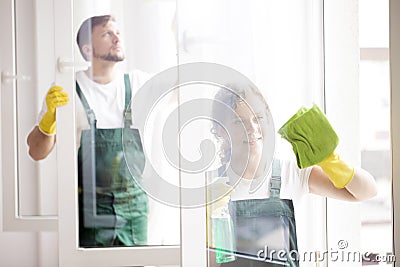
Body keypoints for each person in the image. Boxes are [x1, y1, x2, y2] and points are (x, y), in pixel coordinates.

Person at [207, 85, 378, 266]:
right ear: (220, 130)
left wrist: (330, 160)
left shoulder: (292, 173)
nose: (252, 128)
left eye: (258, 118)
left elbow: (367, 191)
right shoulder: (210, 186)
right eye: (238, 122)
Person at [27, 15, 150, 247]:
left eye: (118, 33)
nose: (116, 38)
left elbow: (181, 89)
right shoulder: (66, 90)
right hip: (89, 207)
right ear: (87, 49)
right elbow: (36, 151)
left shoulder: (137, 83)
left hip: (134, 206)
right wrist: (48, 122)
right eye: (106, 34)